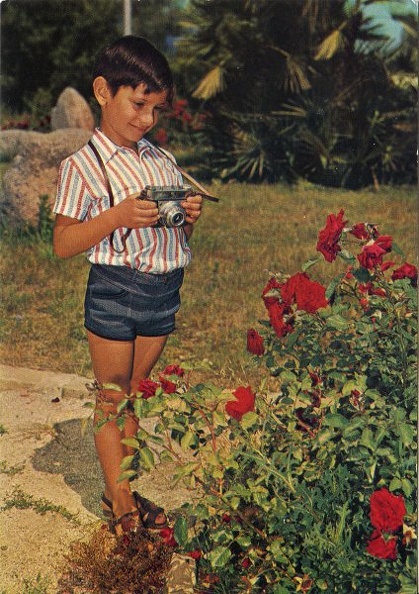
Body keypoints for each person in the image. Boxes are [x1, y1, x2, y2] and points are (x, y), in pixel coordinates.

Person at [53, 35, 203, 535]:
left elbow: (175, 224)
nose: (146, 120)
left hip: (163, 291)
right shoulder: (82, 166)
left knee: (136, 394)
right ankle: (119, 501)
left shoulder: (162, 161)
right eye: (138, 104)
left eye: (155, 110)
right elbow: (63, 242)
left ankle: (124, 485)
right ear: (102, 91)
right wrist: (117, 216)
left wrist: (188, 216)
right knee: (112, 395)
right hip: (116, 290)